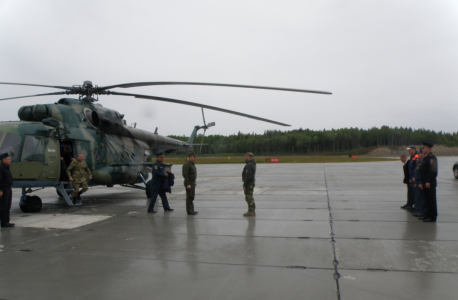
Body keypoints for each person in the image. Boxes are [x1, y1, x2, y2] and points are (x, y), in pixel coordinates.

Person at [420, 142, 438, 222]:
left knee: (431, 200)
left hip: (429, 183)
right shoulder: (426, 158)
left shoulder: (431, 158)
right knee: (426, 199)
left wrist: (428, 181)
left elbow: (433, 171)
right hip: (425, 182)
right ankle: (427, 214)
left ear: (428, 148)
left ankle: (432, 216)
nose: (422, 149)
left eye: (424, 148)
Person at [0, 153, 14, 227]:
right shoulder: (1, 168)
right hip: (4, 189)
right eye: (8, 159)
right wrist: (0, 190)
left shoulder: (7, 167)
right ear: (3, 160)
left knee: (8, 206)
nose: (10, 160)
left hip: (8, 188)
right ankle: (3, 222)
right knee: (4, 206)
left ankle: (7, 221)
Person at [412, 149, 426, 218]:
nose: (418, 155)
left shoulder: (423, 162)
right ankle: (419, 210)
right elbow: (417, 172)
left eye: (420, 153)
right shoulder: (420, 161)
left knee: (422, 198)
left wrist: (420, 182)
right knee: (418, 197)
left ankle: (422, 211)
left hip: (420, 182)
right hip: (417, 181)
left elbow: (422, 173)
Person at [404, 145, 418, 212]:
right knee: (411, 192)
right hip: (411, 178)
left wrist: (414, 177)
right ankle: (411, 205)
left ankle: (416, 207)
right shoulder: (412, 156)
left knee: (416, 194)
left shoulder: (416, 156)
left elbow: (416, 168)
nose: (409, 151)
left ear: (413, 149)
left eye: (410, 150)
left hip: (414, 178)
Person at [242, 152, 256, 217]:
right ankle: (252, 211)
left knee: (248, 197)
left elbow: (248, 176)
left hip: (249, 183)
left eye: (246, 156)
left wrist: (245, 185)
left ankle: (250, 211)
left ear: (249, 157)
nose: (245, 157)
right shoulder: (252, 163)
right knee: (250, 197)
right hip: (251, 182)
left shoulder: (249, 165)